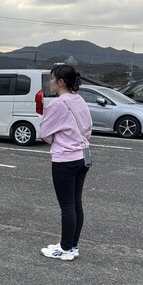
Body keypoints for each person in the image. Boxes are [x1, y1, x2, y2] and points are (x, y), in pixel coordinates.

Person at [40, 64, 93, 261]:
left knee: (67, 205)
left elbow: (45, 133)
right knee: (76, 203)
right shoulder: (79, 100)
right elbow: (88, 128)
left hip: (65, 158)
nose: (51, 82)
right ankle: (71, 245)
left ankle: (65, 249)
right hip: (82, 156)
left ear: (61, 82)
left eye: (53, 79)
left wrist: (59, 138)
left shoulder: (57, 104)